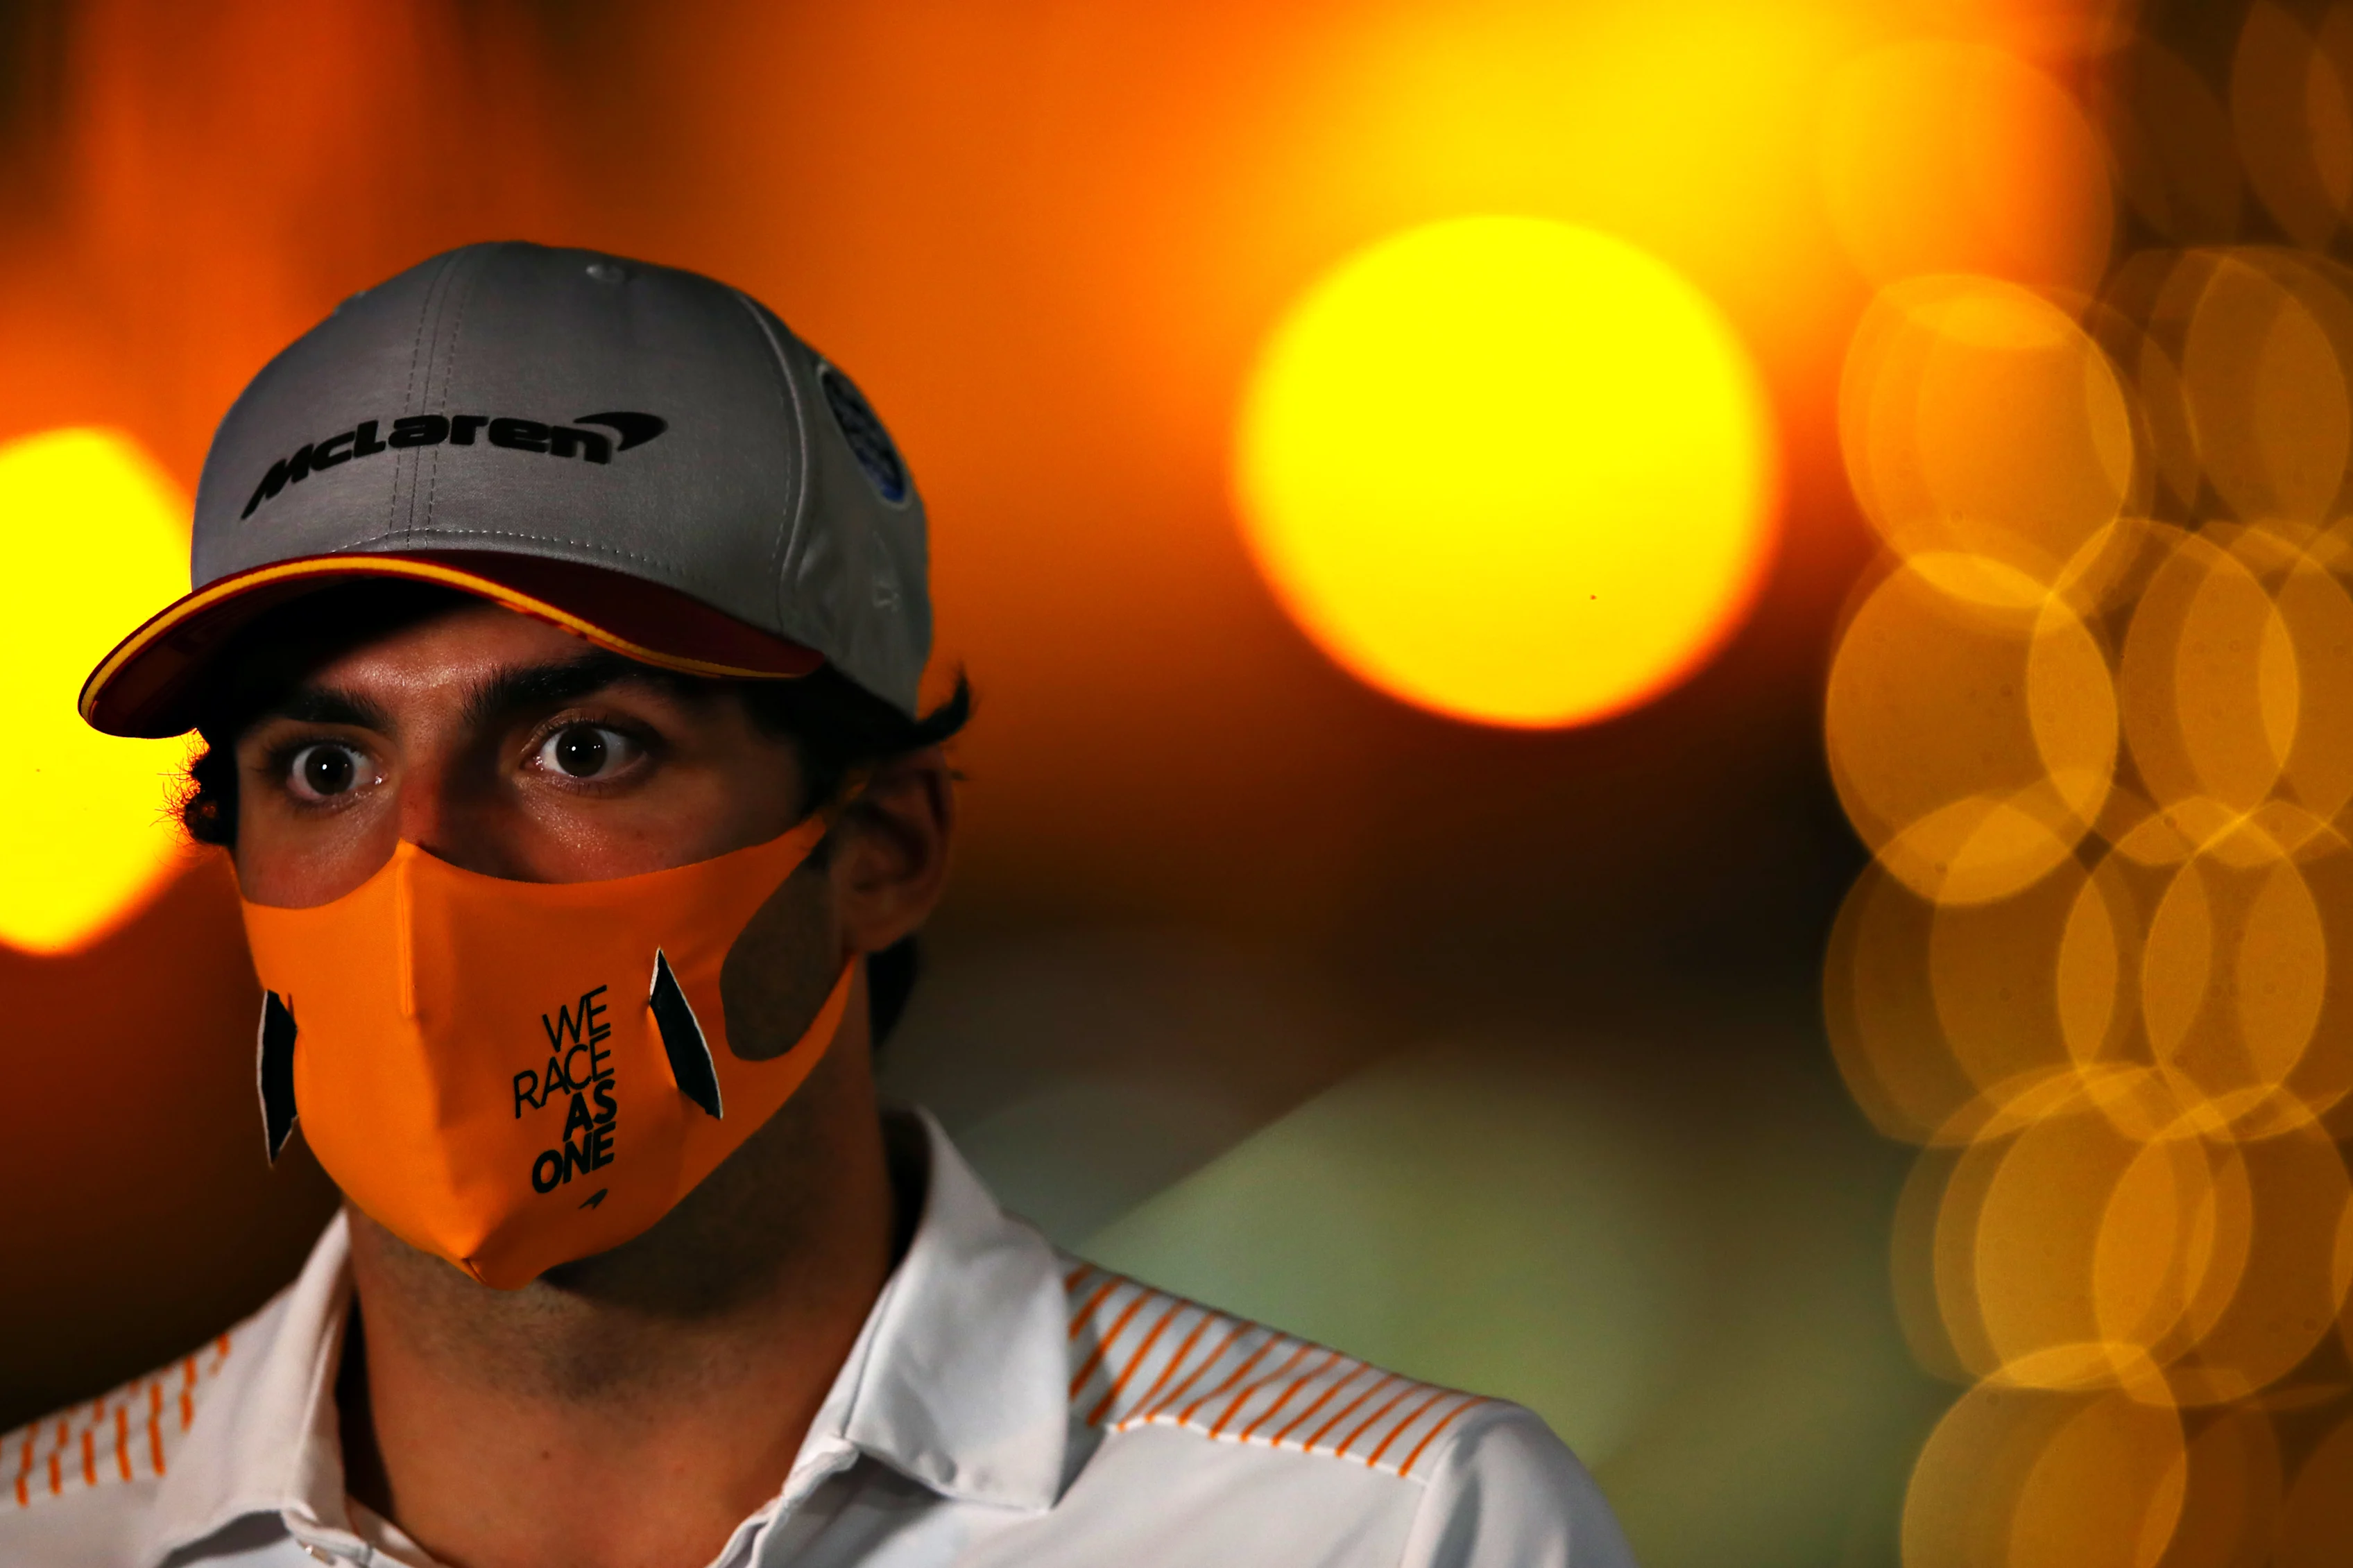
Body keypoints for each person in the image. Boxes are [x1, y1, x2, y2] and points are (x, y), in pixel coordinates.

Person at [1, 242, 1636, 1568]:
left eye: (582, 745)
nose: (427, 870)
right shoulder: (46, 1534)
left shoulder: (1389, 1532)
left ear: (884, 847)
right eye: (324, 765)